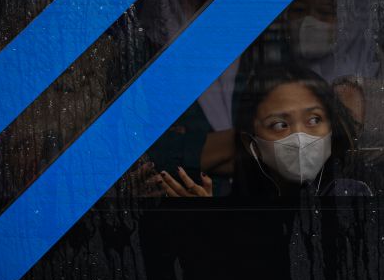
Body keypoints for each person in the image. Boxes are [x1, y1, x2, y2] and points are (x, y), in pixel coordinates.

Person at [157, 65, 372, 197]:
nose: (299, 138)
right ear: (253, 146)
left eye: (314, 119)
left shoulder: (351, 195)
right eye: (280, 125)